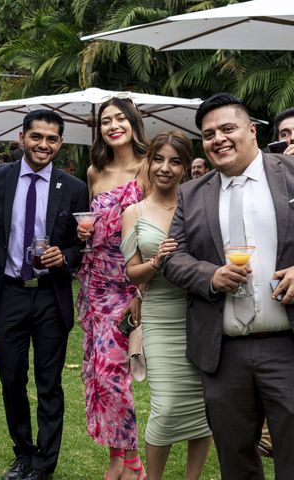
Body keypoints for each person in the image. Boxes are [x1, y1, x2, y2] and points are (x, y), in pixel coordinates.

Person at [163, 93, 294, 479]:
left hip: (287, 345)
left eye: (227, 128)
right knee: (235, 460)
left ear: (252, 131)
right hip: (224, 352)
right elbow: (173, 257)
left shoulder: (290, 173)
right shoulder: (192, 193)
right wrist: (210, 276)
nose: (217, 138)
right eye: (208, 134)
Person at [0, 110, 88, 480]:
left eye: (52, 139)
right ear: (23, 137)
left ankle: (44, 464)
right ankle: (23, 453)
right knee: (11, 379)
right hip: (7, 294)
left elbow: (81, 246)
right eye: (37, 137)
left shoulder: (73, 187)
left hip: (49, 296)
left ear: (60, 143)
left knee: (49, 383)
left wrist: (66, 256)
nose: (44, 145)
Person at [121, 131, 212, 480]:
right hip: (160, 314)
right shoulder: (135, 212)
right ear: (149, 162)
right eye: (159, 159)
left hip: (200, 314)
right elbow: (131, 273)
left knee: (202, 407)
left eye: (175, 161)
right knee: (167, 405)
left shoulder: (199, 206)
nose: (165, 168)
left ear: (186, 167)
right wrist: (156, 260)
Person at [76, 95, 151, 480]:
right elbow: (94, 225)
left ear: (133, 122)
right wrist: (83, 231)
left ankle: (133, 461)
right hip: (94, 282)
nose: (113, 125)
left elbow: (163, 221)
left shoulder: (149, 167)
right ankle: (118, 457)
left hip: (130, 282)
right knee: (97, 372)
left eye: (120, 118)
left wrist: (144, 289)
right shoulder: (95, 171)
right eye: (106, 120)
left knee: (112, 372)